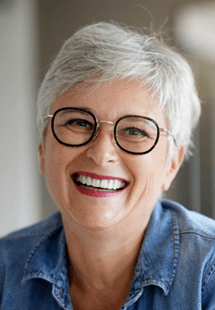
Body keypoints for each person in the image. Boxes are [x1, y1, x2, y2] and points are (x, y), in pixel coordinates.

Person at [1, 21, 214, 310]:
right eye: (78, 122)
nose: (101, 154)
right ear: (42, 148)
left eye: (135, 131)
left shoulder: (208, 274)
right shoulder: (4, 268)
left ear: (171, 163)